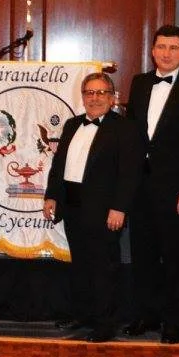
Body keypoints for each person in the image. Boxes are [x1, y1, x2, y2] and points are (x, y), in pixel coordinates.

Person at [122, 25, 179, 343]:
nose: (166, 53)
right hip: (141, 190)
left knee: (174, 258)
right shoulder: (140, 83)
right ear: (153, 50)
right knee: (142, 256)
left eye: (173, 48)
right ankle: (144, 315)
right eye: (161, 46)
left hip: (177, 193)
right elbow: (133, 136)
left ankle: (172, 321)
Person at [43, 73, 142, 343]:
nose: (94, 98)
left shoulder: (125, 128)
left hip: (105, 209)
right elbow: (59, 165)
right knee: (82, 266)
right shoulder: (72, 124)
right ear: (83, 96)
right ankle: (84, 314)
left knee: (104, 268)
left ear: (112, 97)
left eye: (100, 93)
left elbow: (129, 174)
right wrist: (52, 196)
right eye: (89, 92)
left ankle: (105, 324)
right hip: (73, 206)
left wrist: (119, 208)